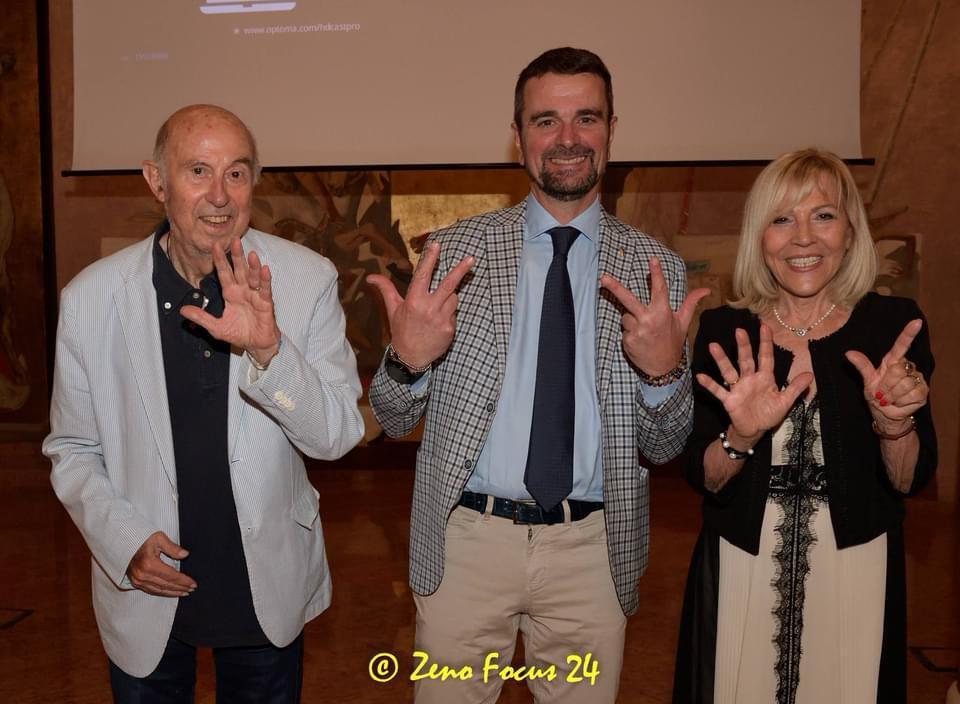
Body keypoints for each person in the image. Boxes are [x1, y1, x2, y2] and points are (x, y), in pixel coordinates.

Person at [367, 47, 708, 703]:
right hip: (466, 548)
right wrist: (406, 361)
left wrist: (666, 379)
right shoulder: (453, 253)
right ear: (517, 135)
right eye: (546, 120)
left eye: (587, 118)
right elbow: (393, 415)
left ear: (612, 129)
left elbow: (664, 447)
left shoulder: (653, 267)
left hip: (592, 552)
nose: (568, 138)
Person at [43, 104, 364, 702]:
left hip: (263, 581)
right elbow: (73, 447)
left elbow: (337, 435)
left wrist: (270, 351)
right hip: (146, 583)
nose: (220, 196)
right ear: (156, 180)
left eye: (236, 174)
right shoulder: (92, 299)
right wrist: (122, 540)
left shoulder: (303, 279)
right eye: (197, 171)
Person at [672, 148, 937, 703]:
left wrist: (893, 425)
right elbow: (706, 478)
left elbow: (908, 479)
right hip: (743, 563)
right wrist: (742, 436)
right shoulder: (726, 331)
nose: (803, 238)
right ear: (759, 237)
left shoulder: (892, 326)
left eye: (823, 215)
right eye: (781, 218)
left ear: (849, 231)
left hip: (856, 567)